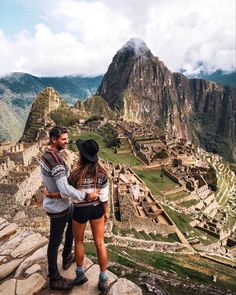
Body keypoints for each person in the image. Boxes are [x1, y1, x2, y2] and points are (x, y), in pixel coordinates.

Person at [40, 125, 97, 291]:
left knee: (73, 223)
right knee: (54, 241)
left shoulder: (49, 154)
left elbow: (58, 186)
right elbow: (64, 189)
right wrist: (86, 196)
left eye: (67, 138)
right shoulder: (55, 160)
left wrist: (53, 193)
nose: (66, 142)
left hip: (63, 204)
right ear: (54, 139)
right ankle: (54, 277)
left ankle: (66, 257)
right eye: (63, 139)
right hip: (58, 208)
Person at [69, 139, 109, 292]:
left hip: (80, 209)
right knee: (100, 243)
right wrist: (105, 212)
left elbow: (72, 195)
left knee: (79, 242)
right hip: (96, 208)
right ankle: (103, 279)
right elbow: (104, 197)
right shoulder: (102, 174)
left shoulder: (74, 175)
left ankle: (80, 274)